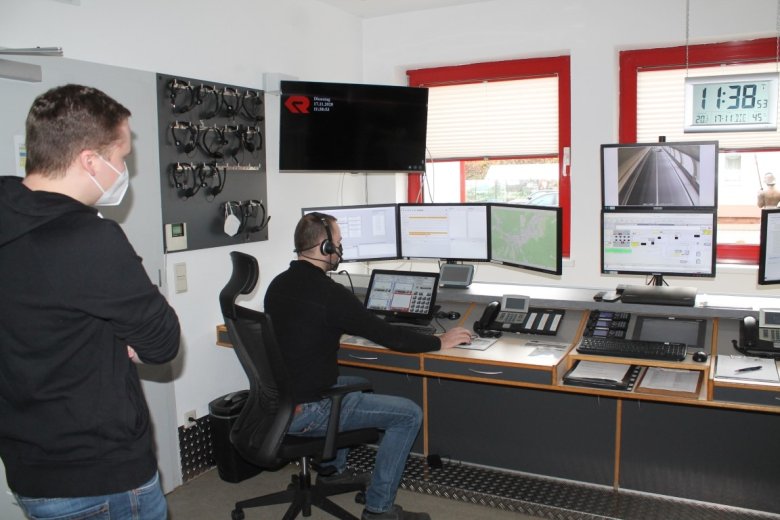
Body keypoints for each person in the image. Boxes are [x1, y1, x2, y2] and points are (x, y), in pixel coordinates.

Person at [0, 85, 181, 519]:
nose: (124, 171)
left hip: (30, 469)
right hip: (103, 478)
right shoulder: (89, 239)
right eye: (121, 158)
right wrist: (124, 338)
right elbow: (161, 344)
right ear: (89, 161)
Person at [264, 212, 473, 520]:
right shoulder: (331, 294)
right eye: (338, 242)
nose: (340, 247)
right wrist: (440, 342)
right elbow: (388, 335)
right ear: (325, 249)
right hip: (309, 410)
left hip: (278, 404)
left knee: (351, 382)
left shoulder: (277, 285)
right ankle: (379, 508)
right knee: (408, 414)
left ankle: (332, 472)